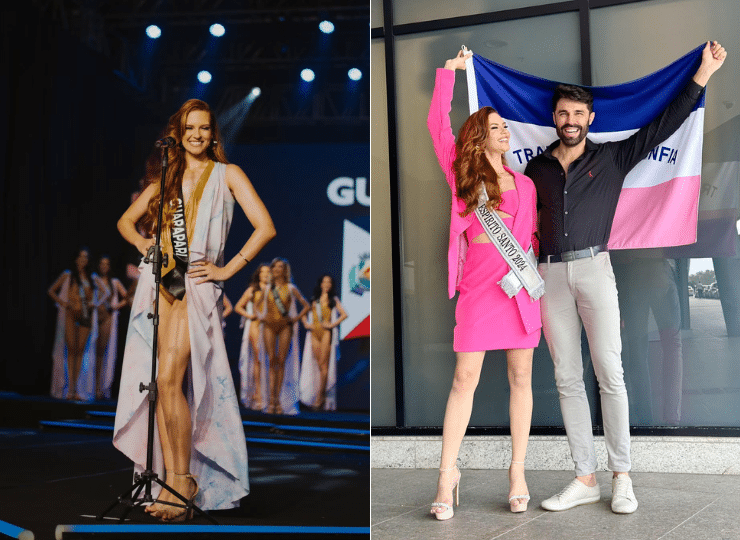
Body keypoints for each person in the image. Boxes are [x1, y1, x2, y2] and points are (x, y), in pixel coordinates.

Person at [524, 41, 727, 514]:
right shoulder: (535, 168)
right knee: (566, 378)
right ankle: (584, 478)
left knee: (610, 373)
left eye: (578, 112)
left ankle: (622, 477)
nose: (570, 120)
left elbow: (664, 125)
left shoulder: (612, 158)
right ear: (553, 118)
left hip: (596, 268)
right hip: (549, 274)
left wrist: (703, 74)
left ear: (590, 119)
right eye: (562, 112)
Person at [113, 98, 276, 521]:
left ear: (214, 133)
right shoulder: (167, 176)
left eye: (204, 128)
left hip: (197, 283)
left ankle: (184, 481)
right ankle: (171, 480)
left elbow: (265, 226)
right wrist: (144, 245)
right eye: (190, 128)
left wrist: (226, 269)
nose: (197, 135)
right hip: (161, 281)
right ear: (179, 132)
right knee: (163, 386)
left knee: (169, 378)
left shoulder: (228, 174)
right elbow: (125, 222)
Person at [427, 50, 542, 520]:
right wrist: (448, 75)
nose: (504, 132)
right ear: (477, 135)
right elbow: (437, 123)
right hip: (478, 287)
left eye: (505, 127)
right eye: (494, 127)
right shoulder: (462, 174)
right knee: (464, 378)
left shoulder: (526, 184)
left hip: (517, 290)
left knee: (521, 378)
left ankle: (518, 472)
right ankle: (446, 475)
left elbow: (531, 238)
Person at [48, 248, 96, 401]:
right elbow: (51, 291)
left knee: (80, 351)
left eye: (86, 257)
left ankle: (76, 389)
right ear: (76, 259)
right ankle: (70, 389)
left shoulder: (90, 277)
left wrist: (93, 303)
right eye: (81, 256)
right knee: (71, 350)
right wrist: (63, 303)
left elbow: (97, 296)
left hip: (85, 316)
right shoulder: (68, 275)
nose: (83, 259)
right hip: (71, 314)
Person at [263, 258, 310, 415]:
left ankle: (278, 401)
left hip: (285, 326)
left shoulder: (291, 288)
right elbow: (257, 307)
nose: (277, 269)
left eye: (280, 267)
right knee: (271, 361)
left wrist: (295, 319)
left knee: (281, 361)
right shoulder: (267, 288)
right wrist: (261, 316)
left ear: (285, 270)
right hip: (269, 325)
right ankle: (272, 401)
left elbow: (306, 305)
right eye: (275, 267)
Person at [299, 275, 348, 411]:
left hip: (326, 333)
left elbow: (344, 314)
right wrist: (306, 324)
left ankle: (320, 399)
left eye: (329, 282)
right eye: (324, 282)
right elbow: (303, 312)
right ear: (320, 284)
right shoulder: (314, 299)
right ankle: (315, 396)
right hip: (314, 333)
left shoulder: (333, 299)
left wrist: (332, 324)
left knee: (323, 365)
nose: (327, 284)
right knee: (317, 364)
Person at [235, 263, 272, 410]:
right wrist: (250, 315)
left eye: (267, 272)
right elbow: (238, 306)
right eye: (262, 272)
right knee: (259, 359)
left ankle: (269, 394)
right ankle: (258, 395)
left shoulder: (274, 290)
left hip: (270, 327)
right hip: (256, 326)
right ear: (259, 275)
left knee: (269, 360)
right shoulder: (252, 289)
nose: (265, 275)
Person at [91, 256, 127, 400]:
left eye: (107, 264)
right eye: (101, 263)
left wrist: (116, 306)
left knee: (101, 353)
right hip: (94, 318)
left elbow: (127, 297)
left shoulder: (114, 282)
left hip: (107, 318)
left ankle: (99, 388)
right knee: (91, 351)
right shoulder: (94, 280)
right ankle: (89, 387)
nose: (104, 266)